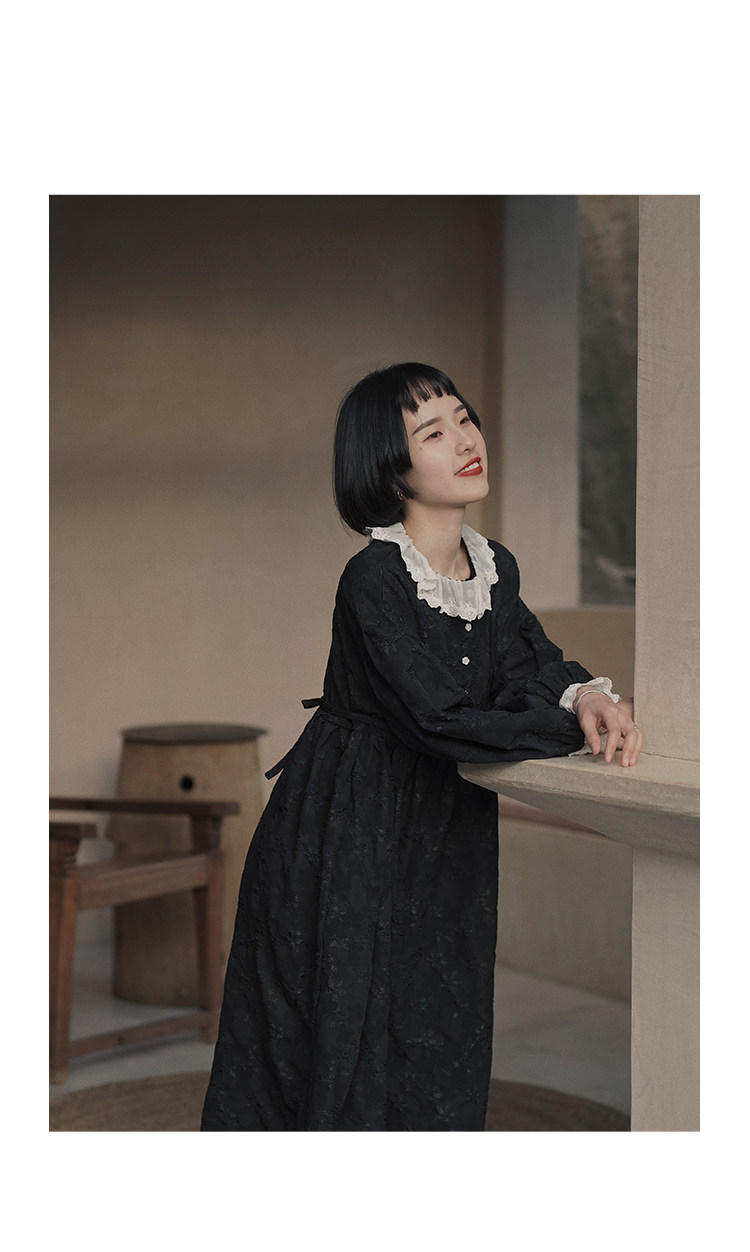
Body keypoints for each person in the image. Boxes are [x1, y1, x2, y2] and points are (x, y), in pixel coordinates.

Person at [200, 362, 643, 1132]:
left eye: (463, 418)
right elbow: (439, 718)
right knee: (342, 1027)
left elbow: (531, 664)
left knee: (442, 1012)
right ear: (389, 468)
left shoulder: (494, 567)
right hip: (348, 828)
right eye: (432, 433)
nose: (465, 439)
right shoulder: (373, 578)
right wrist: (565, 725)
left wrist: (587, 697)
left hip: (445, 827)